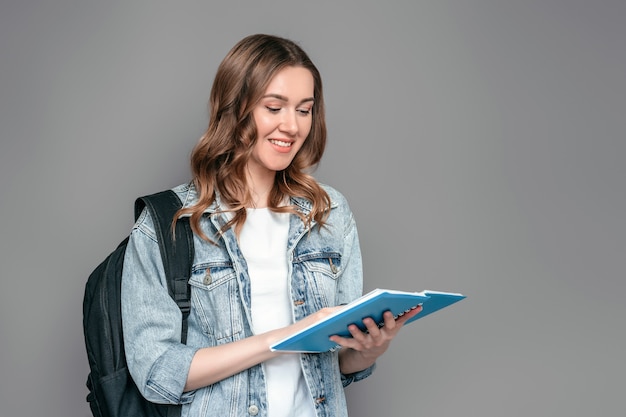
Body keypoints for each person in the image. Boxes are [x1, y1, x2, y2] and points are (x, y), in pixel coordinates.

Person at [121, 33, 421, 417]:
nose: (292, 126)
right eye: (274, 107)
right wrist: (285, 337)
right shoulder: (169, 223)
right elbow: (157, 371)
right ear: (235, 109)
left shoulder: (329, 212)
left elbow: (339, 364)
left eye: (304, 109)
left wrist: (370, 349)